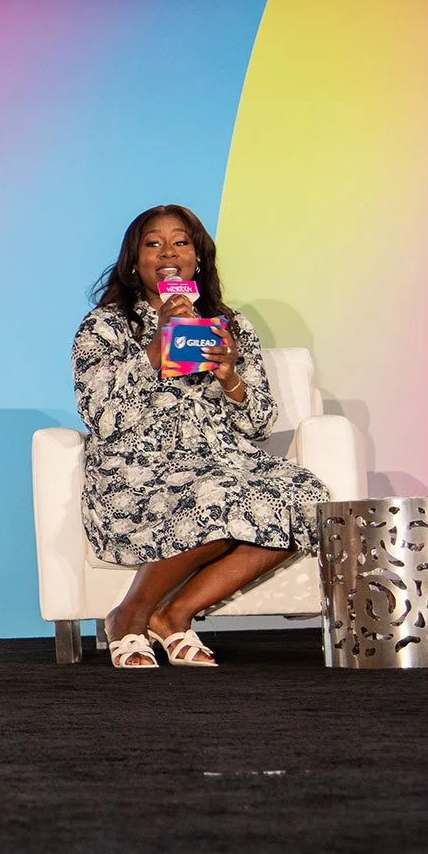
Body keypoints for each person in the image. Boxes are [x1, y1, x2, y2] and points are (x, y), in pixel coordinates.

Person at [75, 204, 330, 669]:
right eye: (153, 244)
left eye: (181, 242)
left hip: (223, 460)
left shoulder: (229, 325)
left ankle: (173, 615)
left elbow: (258, 425)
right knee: (221, 496)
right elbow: (101, 416)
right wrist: (156, 348)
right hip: (137, 470)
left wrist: (230, 376)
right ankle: (128, 617)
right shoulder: (104, 327)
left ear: (197, 259)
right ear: (134, 262)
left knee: (307, 498)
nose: (168, 253)